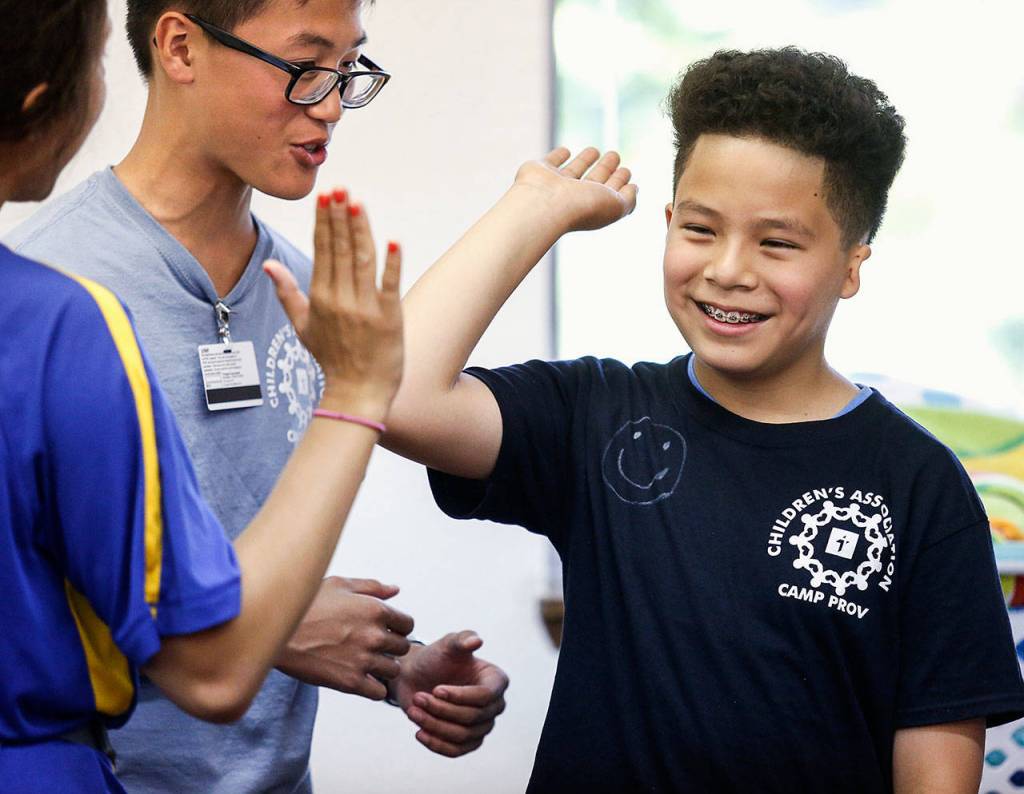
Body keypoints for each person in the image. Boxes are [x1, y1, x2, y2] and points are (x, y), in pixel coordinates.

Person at [378, 47, 1024, 792]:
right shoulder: (595, 415)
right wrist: (532, 210)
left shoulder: (918, 483)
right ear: (667, 223)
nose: (727, 269)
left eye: (776, 242)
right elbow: (394, 397)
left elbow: (936, 761)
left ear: (852, 266)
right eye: (700, 229)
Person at [6, 0, 508, 791]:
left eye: (347, 70)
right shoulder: (49, 293)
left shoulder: (308, 298)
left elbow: (266, 557)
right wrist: (269, 632)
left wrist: (395, 664)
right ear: (178, 47)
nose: (333, 105)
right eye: (306, 68)